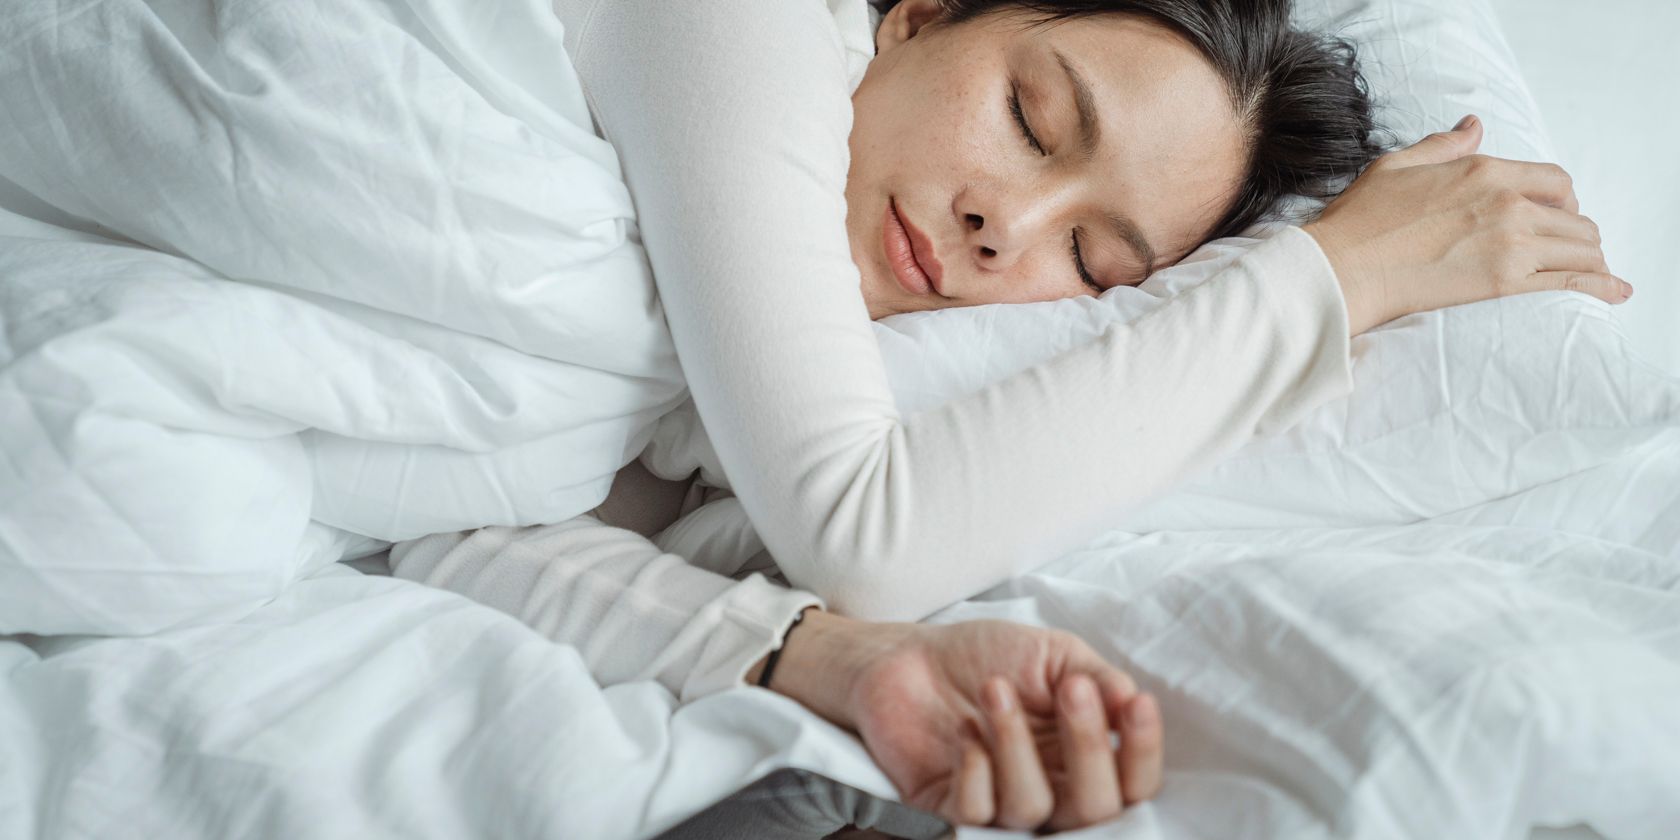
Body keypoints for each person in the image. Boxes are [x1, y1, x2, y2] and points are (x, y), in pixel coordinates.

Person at [395, 0, 1624, 833]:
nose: (1007, 229)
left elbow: (442, 529)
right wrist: (1333, 282)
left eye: (1092, 262)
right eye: (1035, 120)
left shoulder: (701, 384)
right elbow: (866, 535)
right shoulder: (739, 24)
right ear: (922, 13)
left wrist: (825, 659)